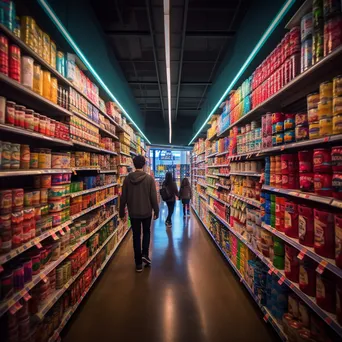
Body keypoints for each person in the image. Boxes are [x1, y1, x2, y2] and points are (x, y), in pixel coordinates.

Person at [119, 155, 159, 272]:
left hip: (133, 213)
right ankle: (145, 255)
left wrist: (122, 212)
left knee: (136, 236)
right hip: (146, 212)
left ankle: (138, 264)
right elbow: (153, 197)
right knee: (146, 232)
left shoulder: (127, 179)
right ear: (144, 165)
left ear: (133, 164)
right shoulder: (149, 179)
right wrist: (156, 211)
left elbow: (123, 197)